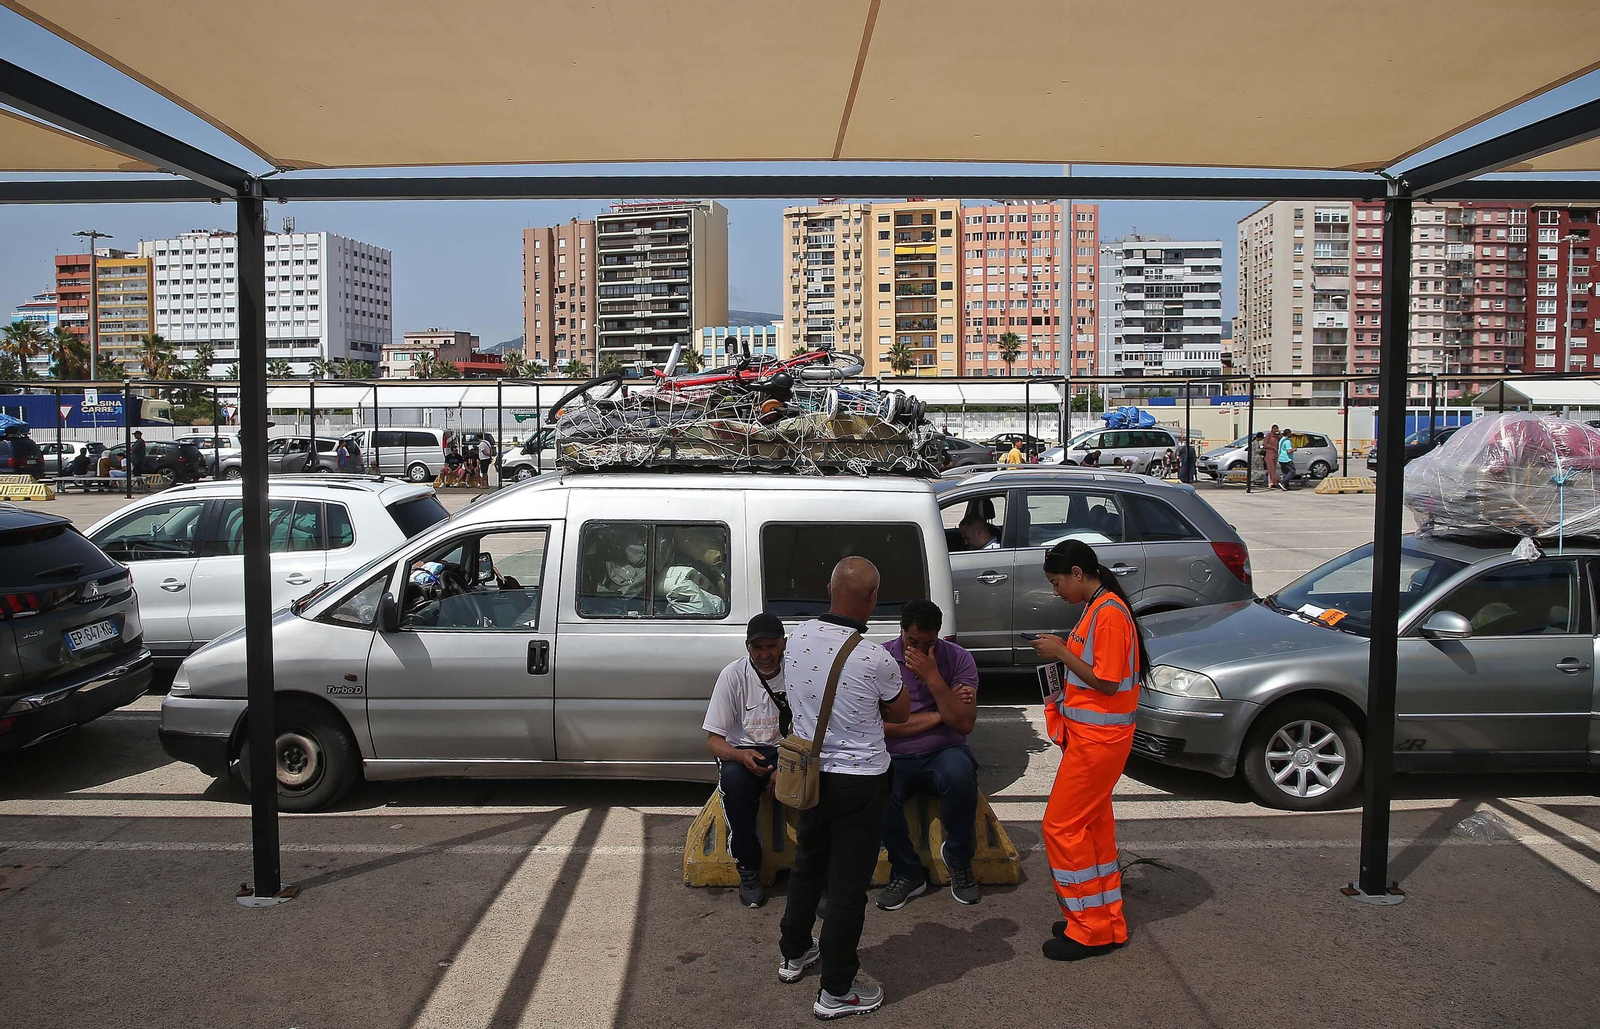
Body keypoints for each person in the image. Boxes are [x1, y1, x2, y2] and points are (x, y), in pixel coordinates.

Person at [778, 557, 909, 1020]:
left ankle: (794, 952)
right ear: (873, 598)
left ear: (828, 587)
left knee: (808, 863)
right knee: (848, 885)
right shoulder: (875, 656)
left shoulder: (796, 640)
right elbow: (899, 714)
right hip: (860, 781)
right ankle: (837, 989)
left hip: (810, 774)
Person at [1028, 539, 1146, 962]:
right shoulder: (1098, 608)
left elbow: (1108, 681)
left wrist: (1060, 651)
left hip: (1099, 745)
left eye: (1057, 582)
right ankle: (1105, 921)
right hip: (1094, 742)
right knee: (1093, 829)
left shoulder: (1108, 613)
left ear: (1078, 573)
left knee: (1060, 828)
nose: (1055, 591)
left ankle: (1087, 928)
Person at [877, 600, 982, 910]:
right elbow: (881, 726)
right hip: (895, 757)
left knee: (961, 775)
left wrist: (934, 678)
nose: (921, 651)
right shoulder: (880, 659)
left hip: (943, 751)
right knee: (876, 789)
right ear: (901, 632)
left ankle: (959, 860)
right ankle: (907, 871)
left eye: (929, 643)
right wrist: (942, 712)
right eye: (913, 642)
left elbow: (964, 723)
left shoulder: (959, 659)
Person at [704, 613, 790, 909]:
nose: (766, 654)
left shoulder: (798, 672)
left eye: (772, 646)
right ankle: (749, 869)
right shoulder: (733, 675)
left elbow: (815, 730)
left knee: (823, 786)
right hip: (744, 752)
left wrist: (786, 767)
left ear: (783, 644)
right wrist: (740, 755)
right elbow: (714, 741)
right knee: (735, 785)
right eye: (758, 648)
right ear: (748, 648)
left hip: (790, 751)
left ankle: (818, 873)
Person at [1263, 425, 1281, 489]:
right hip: (1269, 453)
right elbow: (1265, 444)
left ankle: (1274, 482)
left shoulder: (1277, 436)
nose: (1275, 430)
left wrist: (1279, 433)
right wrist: (1272, 447)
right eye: (1274, 429)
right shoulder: (1268, 435)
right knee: (1270, 469)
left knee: (1274, 469)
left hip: (1275, 454)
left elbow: (1281, 440)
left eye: (1277, 429)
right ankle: (1271, 483)